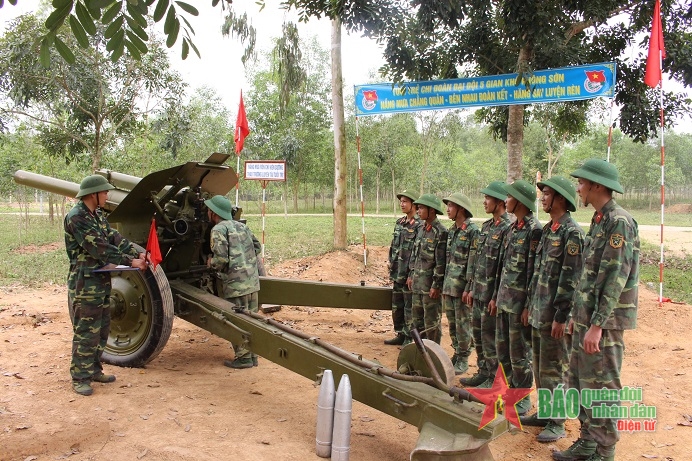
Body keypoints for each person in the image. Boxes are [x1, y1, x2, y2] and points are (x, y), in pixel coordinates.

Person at [553, 159, 640, 461]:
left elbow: (615, 276)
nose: (577, 187)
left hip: (603, 322)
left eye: (581, 182)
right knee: (581, 382)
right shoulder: (600, 219)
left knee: (602, 385)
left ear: (597, 186)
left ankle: (605, 451)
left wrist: (597, 325)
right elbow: (590, 275)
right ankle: (588, 441)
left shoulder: (619, 222)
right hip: (586, 319)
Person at [64, 175, 148, 396]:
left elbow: (114, 237)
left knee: (101, 329)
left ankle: (93, 370)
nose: (107, 195)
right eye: (104, 192)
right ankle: (80, 377)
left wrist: (137, 251)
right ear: (93, 194)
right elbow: (99, 248)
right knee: (85, 331)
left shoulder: (97, 216)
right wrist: (130, 261)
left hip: (100, 278)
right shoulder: (77, 217)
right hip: (85, 281)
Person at [522, 176, 584, 442]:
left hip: (554, 317)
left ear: (560, 198)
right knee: (539, 366)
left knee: (555, 369)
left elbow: (571, 280)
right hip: (538, 312)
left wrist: (562, 316)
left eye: (546, 194)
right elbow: (538, 274)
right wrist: (528, 306)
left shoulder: (572, 233)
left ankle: (557, 422)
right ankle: (546, 413)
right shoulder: (549, 230)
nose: (542, 198)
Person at [494, 179, 542, 414]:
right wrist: (496, 296)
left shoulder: (534, 230)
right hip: (505, 300)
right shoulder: (513, 228)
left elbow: (534, 272)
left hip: (519, 304)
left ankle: (522, 397)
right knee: (503, 351)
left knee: (520, 354)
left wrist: (528, 306)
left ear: (521, 201)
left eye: (510, 197)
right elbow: (504, 268)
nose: (506, 201)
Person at [206, 195, 265, 369]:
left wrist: (211, 264)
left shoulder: (218, 229)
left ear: (213, 213)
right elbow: (257, 247)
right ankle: (252, 356)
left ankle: (243, 358)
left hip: (235, 284)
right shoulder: (241, 226)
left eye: (209, 210)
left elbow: (221, 260)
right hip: (252, 282)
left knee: (236, 321)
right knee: (251, 319)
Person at [461, 181, 510, 387]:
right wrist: (471, 288)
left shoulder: (507, 229)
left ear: (499, 202)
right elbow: (478, 260)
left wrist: (495, 296)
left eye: (488, 198)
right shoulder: (487, 227)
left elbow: (503, 267)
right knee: (479, 336)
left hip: (491, 294)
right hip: (479, 291)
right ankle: (483, 371)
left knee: (491, 339)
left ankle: (493, 377)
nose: (484, 201)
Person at [441, 193, 479, 374]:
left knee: (464, 324)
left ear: (461, 209)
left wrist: (469, 287)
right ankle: (457, 352)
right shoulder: (452, 231)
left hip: (462, 288)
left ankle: (464, 357)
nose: (447, 209)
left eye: (450, 206)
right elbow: (448, 260)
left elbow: (473, 262)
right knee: (453, 323)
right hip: (450, 286)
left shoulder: (473, 231)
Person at [406, 193, 447, 344]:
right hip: (417, 285)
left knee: (431, 324)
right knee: (416, 322)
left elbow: (440, 262)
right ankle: (419, 353)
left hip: (430, 288)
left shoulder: (441, 232)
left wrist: (436, 285)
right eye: (418, 208)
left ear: (432, 210)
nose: (418, 211)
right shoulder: (421, 229)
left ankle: (434, 354)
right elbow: (415, 255)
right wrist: (411, 274)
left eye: (421, 208)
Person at [385, 190, 421, 345]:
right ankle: (400, 333)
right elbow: (394, 246)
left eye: (405, 201)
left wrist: (412, 273)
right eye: (401, 201)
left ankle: (409, 337)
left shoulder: (420, 225)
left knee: (409, 307)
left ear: (414, 204)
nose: (402, 204)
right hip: (397, 271)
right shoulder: (400, 223)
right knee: (397, 305)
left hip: (408, 273)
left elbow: (418, 252)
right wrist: (390, 262)